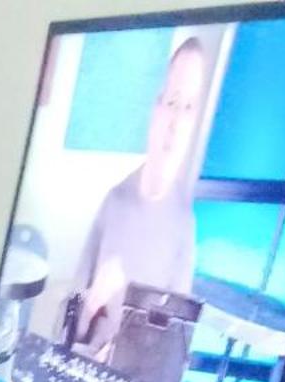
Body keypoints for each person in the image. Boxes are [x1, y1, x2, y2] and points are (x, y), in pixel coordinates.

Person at [72, 35, 209, 360]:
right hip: (84, 371)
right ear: (157, 109)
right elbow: (66, 327)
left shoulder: (184, 225)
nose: (175, 123)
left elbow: (171, 351)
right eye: (173, 102)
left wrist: (122, 351)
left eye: (188, 108)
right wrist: (92, 302)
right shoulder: (115, 201)